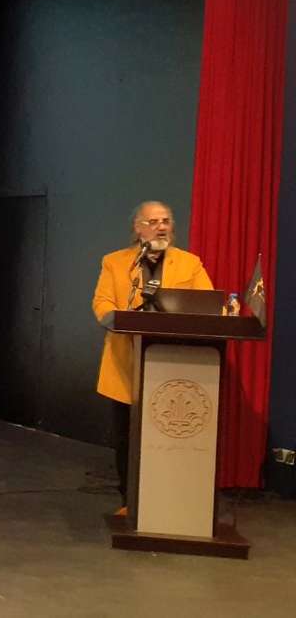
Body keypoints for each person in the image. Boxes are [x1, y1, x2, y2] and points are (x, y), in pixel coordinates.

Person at [91, 201, 213, 515]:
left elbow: (207, 303)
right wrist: (118, 320)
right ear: (138, 228)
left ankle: (171, 500)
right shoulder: (115, 262)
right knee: (127, 438)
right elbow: (102, 302)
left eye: (166, 221)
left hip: (175, 365)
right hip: (125, 365)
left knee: (169, 436)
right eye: (153, 221)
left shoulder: (190, 263)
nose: (161, 227)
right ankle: (129, 502)